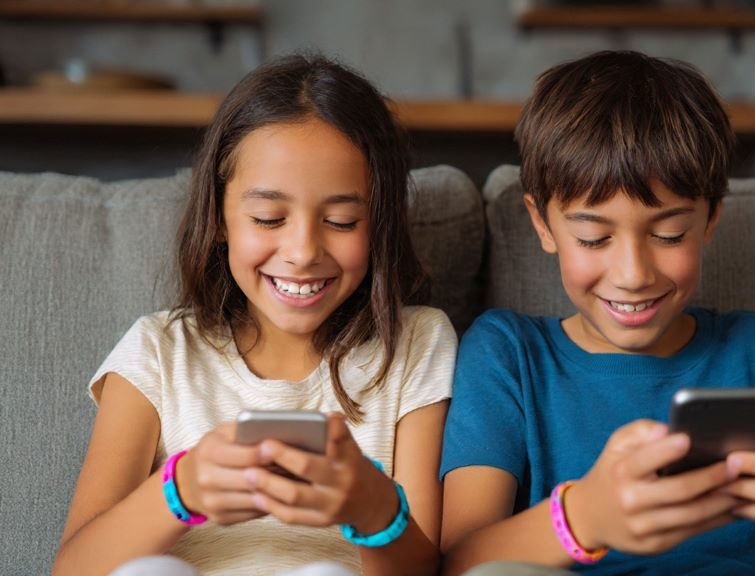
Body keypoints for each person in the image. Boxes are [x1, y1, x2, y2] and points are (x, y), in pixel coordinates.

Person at [438, 50, 755, 576]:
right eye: (594, 237)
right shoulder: (509, 353)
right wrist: (582, 517)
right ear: (542, 225)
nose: (634, 273)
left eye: (669, 235)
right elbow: (460, 565)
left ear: (709, 220)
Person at [53, 53, 456, 576]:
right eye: (268, 217)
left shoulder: (416, 344)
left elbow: (423, 570)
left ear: (378, 223)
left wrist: (374, 509)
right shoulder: (159, 351)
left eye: (341, 220)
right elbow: (72, 568)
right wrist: (183, 489)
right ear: (219, 215)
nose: (303, 250)